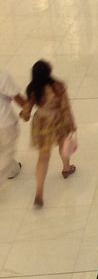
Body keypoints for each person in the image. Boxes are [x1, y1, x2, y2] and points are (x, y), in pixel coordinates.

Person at [18, 60, 76, 207]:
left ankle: (39, 192)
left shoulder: (33, 90)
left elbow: (26, 112)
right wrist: (71, 125)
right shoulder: (58, 87)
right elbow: (65, 108)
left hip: (41, 123)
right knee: (63, 145)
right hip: (57, 121)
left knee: (43, 157)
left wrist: (23, 115)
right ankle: (66, 168)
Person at [0, 66, 22, 184]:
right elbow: (17, 97)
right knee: (7, 151)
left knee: (3, 148)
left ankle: (13, 170)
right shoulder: (2, 76)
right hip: (4, 122)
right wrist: (27, 109)